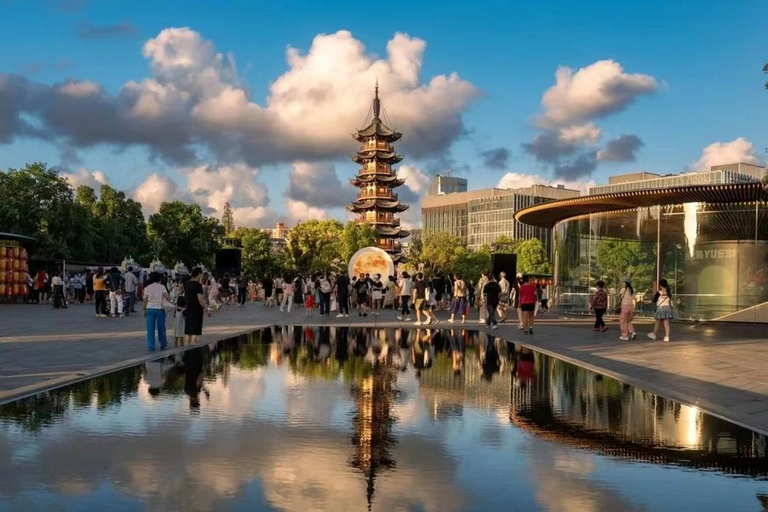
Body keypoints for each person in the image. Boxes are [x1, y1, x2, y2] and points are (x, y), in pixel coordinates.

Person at [143, 272, 170, 351]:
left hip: (150, 308)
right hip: (160, 308)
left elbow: (145, 299)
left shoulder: (148, 287)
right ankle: (163, 343)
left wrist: (144, 309)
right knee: (161, 327)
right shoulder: (162, 287)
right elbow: (167, 297)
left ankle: (151, 346)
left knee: (150, 328)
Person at [184, 267, 207, 345]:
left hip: (188, 308)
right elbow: (200, 299)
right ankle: (193, 350)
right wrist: (206, 308)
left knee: (188, 331)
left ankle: (186, 349)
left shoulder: (187, 283)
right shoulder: (198, 285)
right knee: (195, 331)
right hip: (196, 310)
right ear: (199, 274)